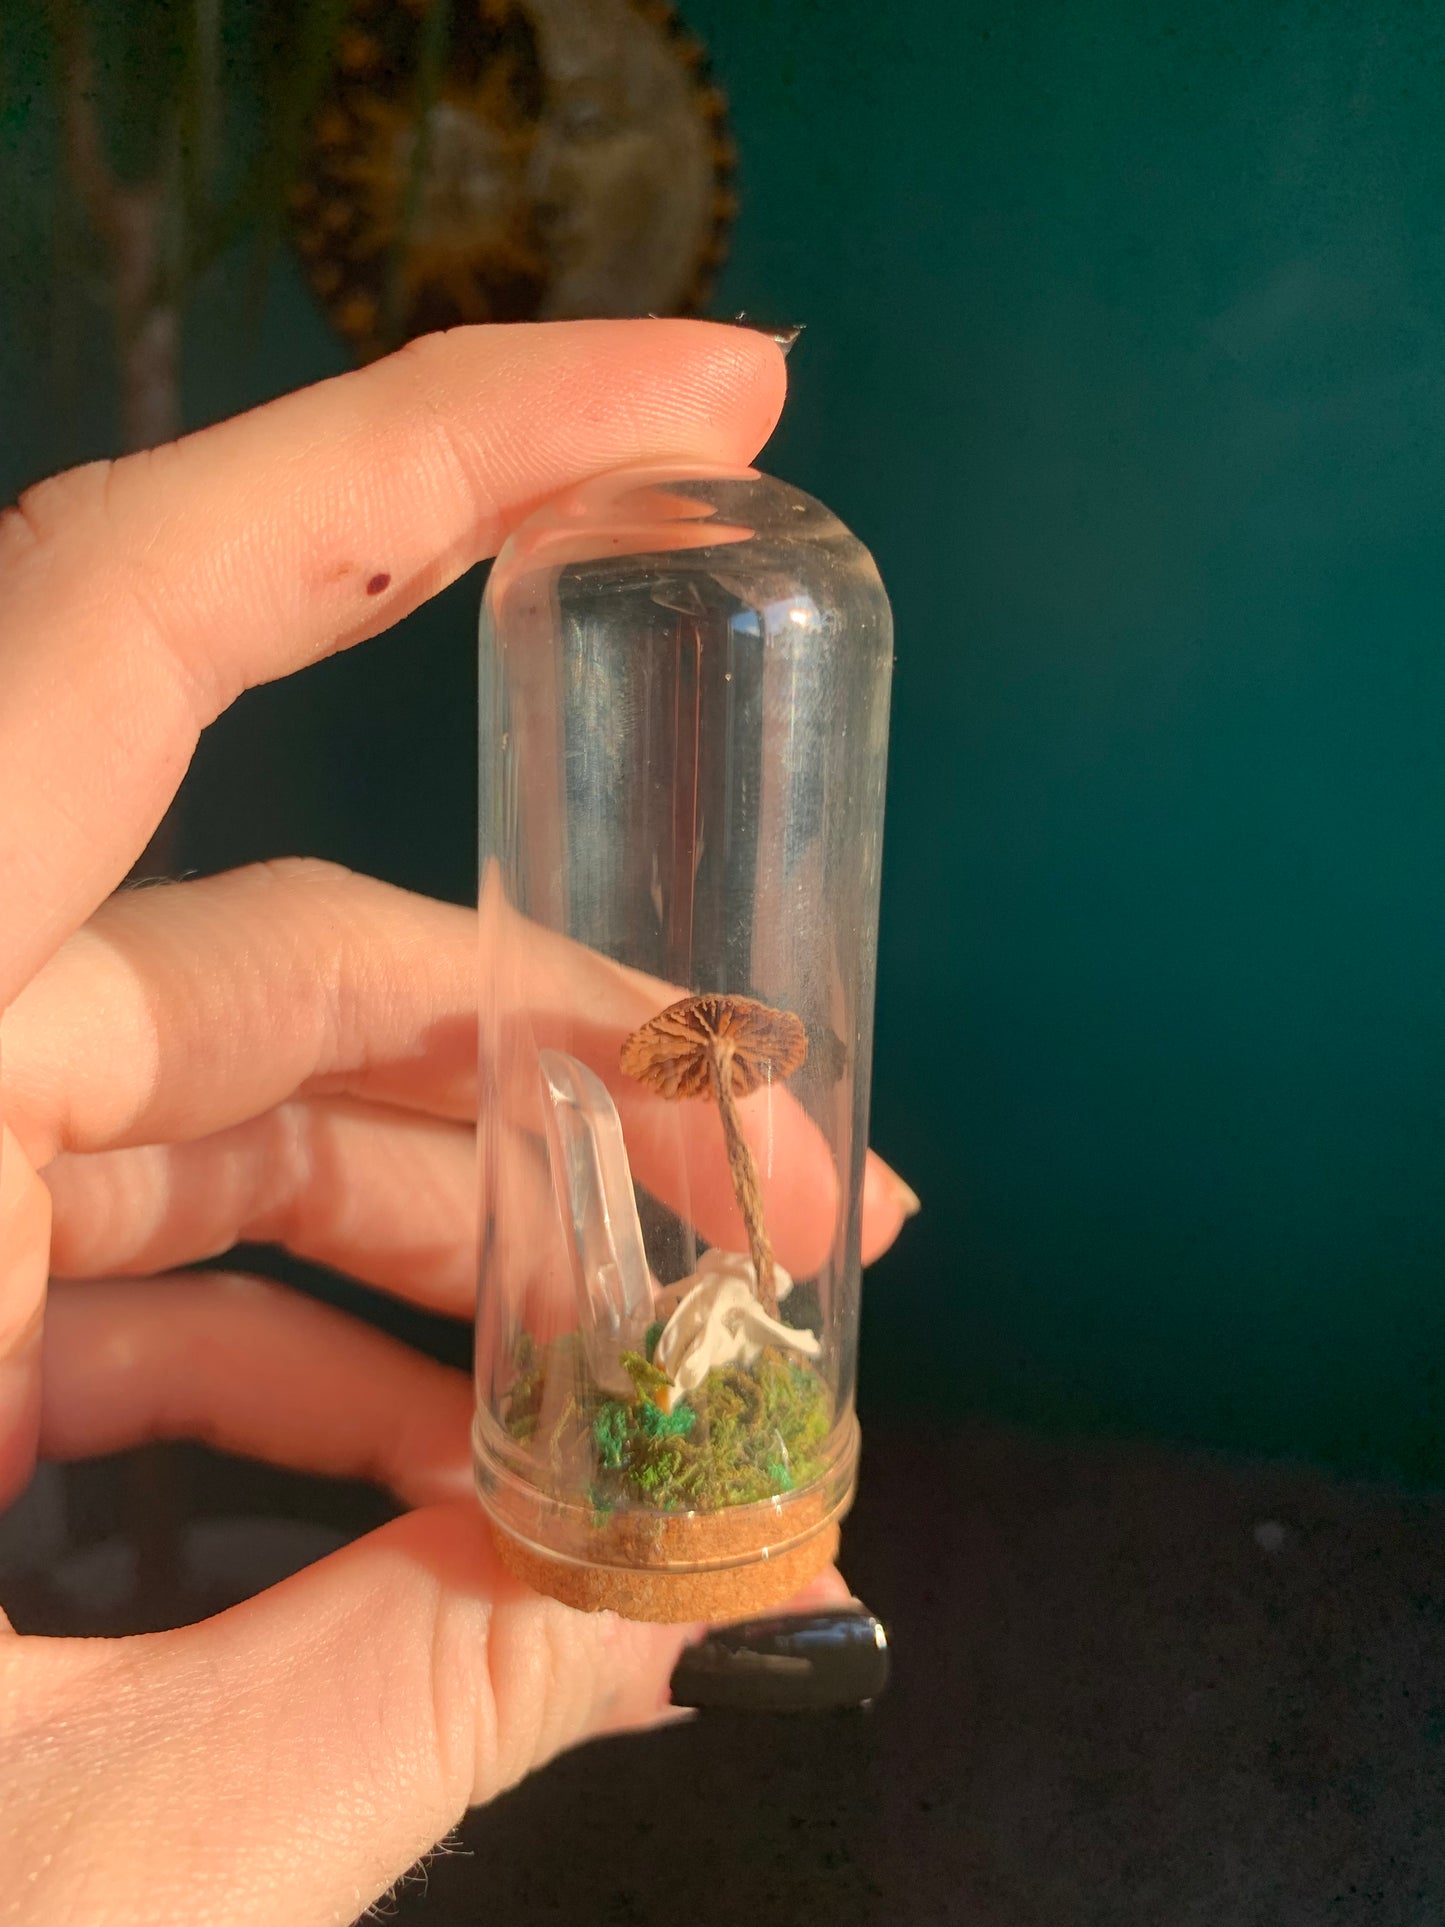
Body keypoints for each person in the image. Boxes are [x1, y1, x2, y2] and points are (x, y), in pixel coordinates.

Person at [0, 320, 916, 1925]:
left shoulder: (788, 599)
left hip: (698, 1425)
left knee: (724, 1248)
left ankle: (715, 1404)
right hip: (570, 1458)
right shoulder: (568, 594)